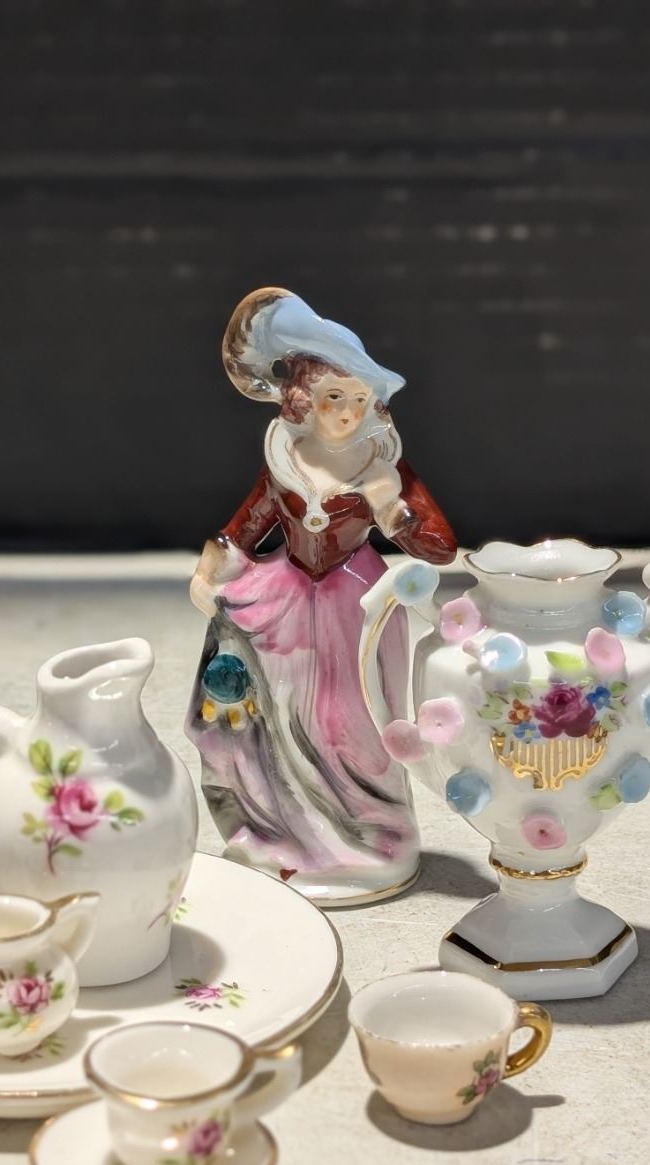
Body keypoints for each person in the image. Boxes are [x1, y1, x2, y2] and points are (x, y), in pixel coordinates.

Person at [187, 288, 457, 904]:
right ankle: (287, 833)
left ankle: (371, 839)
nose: (347, 412)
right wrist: (210, 572)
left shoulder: (384, 466)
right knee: (283, 716)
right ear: (303, 402)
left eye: (359, 399)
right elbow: (246, 525)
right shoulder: (285, 460)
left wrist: (393, 511)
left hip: (355, 602)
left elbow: (441, 546)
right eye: (335, 397)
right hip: (285, 599)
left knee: (353, 724)